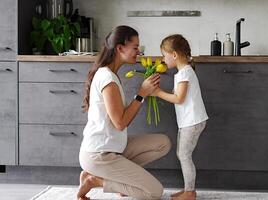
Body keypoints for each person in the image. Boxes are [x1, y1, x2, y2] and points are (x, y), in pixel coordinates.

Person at [77, 25, 172, 200]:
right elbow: (120, 123)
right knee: (154, 192)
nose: (139, 52)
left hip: (112, 147)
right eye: (135, 47)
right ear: (120, 48)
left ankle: (121, 182)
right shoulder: (107, 79)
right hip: (99, 154)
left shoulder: (111, 74)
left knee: (163, 143)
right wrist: (142, 93)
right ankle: (95, 180)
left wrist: (143, 93)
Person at [152, 34, 209, 200]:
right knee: (182, 154)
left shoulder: (184, 73)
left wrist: (157, 93)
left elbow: (179, 98)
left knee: (184, 155)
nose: (163, 59)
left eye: (164, 55)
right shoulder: (184, 72)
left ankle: (190, 192)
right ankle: (187, 190)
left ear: (174, 55)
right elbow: (180, 96)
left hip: (192, 122)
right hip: (189, 121)